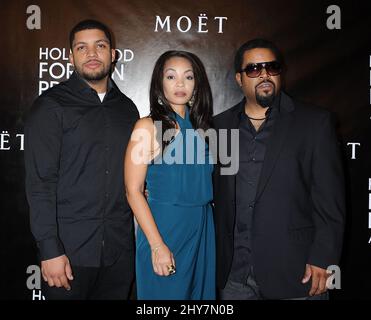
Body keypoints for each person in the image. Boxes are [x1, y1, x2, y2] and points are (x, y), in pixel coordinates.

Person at [213, 38, 345, 300]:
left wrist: (323, 258)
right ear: (239, 78)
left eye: (271, 67)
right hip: (234, 276)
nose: (264, 74)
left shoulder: (314, 123)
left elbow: (330, 201)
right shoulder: (219, 127)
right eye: (253, 69)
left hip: (297, 273)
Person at [24, 19, 139, 300]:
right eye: (82, 47)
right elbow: (40, 184)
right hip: (68, 256)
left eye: (100, 46)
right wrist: (50, 250)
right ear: (70, 56)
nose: (91, 54)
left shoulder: (128, 110)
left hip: (119, 253)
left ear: (113, 55)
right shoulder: (51, 106)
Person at [124, 50, 215, 299]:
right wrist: (157, 246)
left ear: (197, 85)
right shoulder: (147, 126)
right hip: (164, 231)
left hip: (201, 228)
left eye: (188, 77)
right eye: (171, 77)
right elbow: (133, 191)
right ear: (159, 83)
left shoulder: (202, 129)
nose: (180, 84)